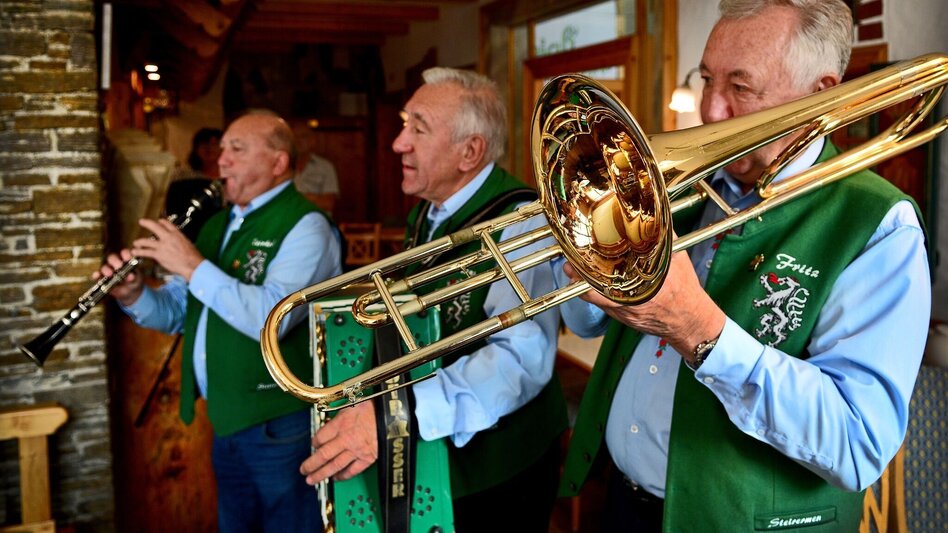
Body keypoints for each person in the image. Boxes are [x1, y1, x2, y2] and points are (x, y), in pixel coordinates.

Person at [556, 1, 931, 531]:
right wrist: (579, 255)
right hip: (619, 499)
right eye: (707, 77)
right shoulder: (680, 189)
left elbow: (857, 443)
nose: (710, 110)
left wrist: (699, 330)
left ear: (820, 95)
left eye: (741, 87)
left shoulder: (879, 227)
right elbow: (585, 324)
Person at [299, 67, 569, 532]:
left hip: (498, 471)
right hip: (436, 452)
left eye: (417, 129)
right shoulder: (431, 208)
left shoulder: (521, 222)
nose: (398, 143)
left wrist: (395, 416)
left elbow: (519, 361)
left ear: (470, 152)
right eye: (405, 124)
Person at [95, 111, 343, 532]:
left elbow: (273, 318)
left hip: (279, 421)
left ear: (278, 163)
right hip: (225, 417)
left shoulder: (308, 227)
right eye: (223, 149)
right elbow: (179, 312)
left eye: (237, 149)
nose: (221, 159)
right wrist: (134, 294)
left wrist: (192, 266)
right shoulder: (219, 223)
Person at [166, 127, 224, 241]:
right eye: (205, 143)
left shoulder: (232, 178)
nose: (210, 148)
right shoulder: (182, 177)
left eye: (215, 143)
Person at [292, 121, 340, 214]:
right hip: (289, 222)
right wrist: (313, 198)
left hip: (316, 221)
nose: (298, 140)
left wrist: (295, 198)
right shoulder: (281, 166)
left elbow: (328, 204)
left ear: (312, 141)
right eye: (294, 136)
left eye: (303, 136)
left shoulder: (325, 167)